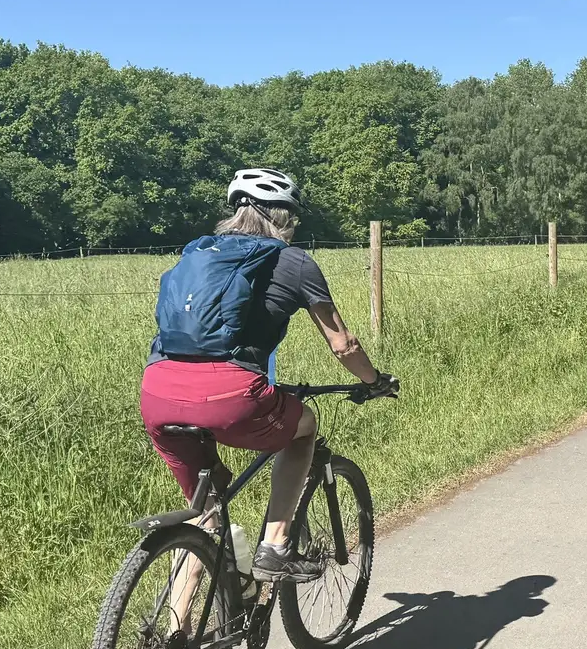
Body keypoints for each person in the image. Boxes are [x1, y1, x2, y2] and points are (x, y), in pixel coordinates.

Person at [140, 167, 397, 582]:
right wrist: (374, 382)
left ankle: (174, 635)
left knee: (205, 515)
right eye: (292, 218)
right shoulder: (293, 262)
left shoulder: (197, 256)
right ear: (280, 216)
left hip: (157, 391)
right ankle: (274, 549)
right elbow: (343, 345)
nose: (293, 226)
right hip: (231, 396)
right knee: (305, 428)